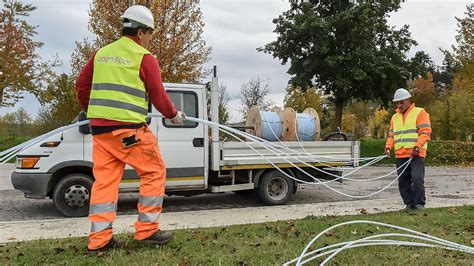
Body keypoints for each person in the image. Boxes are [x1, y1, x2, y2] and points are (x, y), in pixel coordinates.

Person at [76, 5, 185, 251]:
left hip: (101, 133)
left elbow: (82, 85)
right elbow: (158, 95)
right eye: (150, 34)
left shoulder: (101, 54)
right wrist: (174, 115)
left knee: (104, 182)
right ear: (141, 32)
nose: (150, 40)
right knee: (154, 171)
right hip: (129, 132)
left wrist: (94, 112)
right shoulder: (144, 58)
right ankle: (147, 230)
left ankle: (99, 240)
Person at [384, 88, 431, 210]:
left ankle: (419, 204)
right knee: (403, 181)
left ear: (408, 100)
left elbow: (425, 132)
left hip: (416, 154)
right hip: (400, 154)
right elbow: (391, 136)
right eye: (397, 103)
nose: (399, 105)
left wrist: (417, 146)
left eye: (401, 102)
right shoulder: (394, 117)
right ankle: (409, 204)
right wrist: (388, 147)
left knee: (417, 179)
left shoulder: (420, 113)